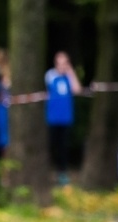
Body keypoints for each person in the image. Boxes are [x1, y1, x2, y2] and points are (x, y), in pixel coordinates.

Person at [44, 51, 82, 186]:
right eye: (59, 63)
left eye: (64, 63)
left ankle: (62, 173)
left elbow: (77, 89)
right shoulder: (50, 76)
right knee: (52, 145)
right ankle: (49, 171)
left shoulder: (69, 78)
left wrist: (70, 72)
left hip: (65, 118)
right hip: (52, 118)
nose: (62, 66)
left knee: (63, 147)